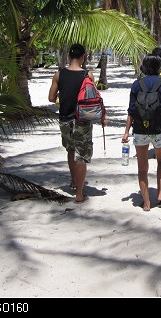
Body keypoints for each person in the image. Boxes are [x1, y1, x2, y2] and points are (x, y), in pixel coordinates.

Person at [122, 54, 161, 212]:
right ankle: (160, 194)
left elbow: (131, 110)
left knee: (142, 168)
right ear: (159, 67)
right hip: (159, 129)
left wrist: (126, 132)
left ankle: (146, 202)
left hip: (140, 130)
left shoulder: (136, 84)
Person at [48, 44, 107, 204]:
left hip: (65, 119)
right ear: (83, 57)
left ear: (68, 56)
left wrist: (63, 100)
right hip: (82, 120)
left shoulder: (59, 74)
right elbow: (93, 99)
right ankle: (79, 194)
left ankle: (74, 181)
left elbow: (51, 98)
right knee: (81, 155)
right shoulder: (88, 75)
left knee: (70, 150)